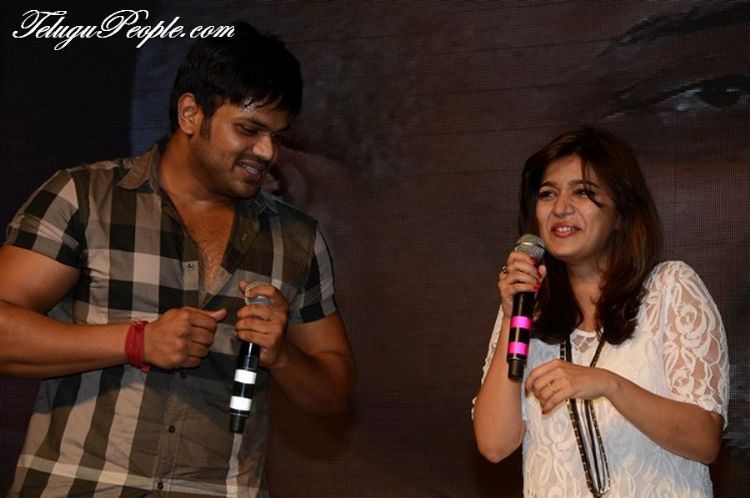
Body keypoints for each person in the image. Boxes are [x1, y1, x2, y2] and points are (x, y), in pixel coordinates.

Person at [0, 22, 356, 497]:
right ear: (190, 113)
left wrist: (283, 355)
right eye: (249, 129)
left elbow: (334, 393)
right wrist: (136, 342)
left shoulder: (295, 238)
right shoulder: (85, 198)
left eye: (277, 136)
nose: (268, 152)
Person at [472, 127, 728, 497]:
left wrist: (609, 384)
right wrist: (512, 317)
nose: (561, 207)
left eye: (582, 192)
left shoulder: (670, 289)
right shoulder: (528, 307)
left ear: (621, 212)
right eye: (548, 193)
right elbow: (495, 445)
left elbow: (705, 441)